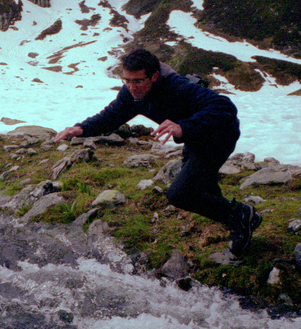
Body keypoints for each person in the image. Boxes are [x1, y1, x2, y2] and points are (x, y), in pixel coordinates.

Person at [53, 46, 261, 256]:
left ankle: (242, 214)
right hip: (194, 135)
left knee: (180, 194)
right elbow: (112, 115)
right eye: (127, 80)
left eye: (138, 81)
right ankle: (241, 221)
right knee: (203, 188)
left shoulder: (177, 87)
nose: (131, 87)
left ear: (154, 77)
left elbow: (224, 107)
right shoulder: (132, 94)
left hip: (218, 134)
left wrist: (183, 127)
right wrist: (82, 128)